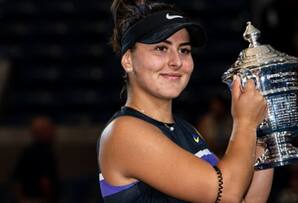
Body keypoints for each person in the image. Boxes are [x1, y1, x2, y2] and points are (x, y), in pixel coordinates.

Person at [97, 0, 273, 202]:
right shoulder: (124, 132)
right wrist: (245, 122)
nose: (176, 61)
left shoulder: (187, 131)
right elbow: (227, 193)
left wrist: (263, 136)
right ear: (128, 60)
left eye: (184, 50)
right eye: (161, 48)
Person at [12, 116, 59, 203]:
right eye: (49, 129)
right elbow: (45, 181)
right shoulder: (42, 153)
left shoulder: (28, 151)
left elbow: (17, 180)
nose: (53, 132)